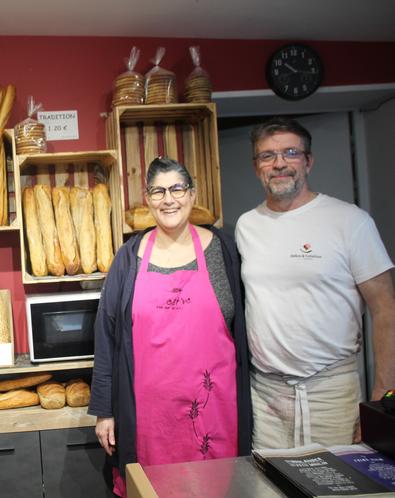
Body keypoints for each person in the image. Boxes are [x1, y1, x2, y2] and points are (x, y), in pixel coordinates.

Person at [89, 157, 252, 497]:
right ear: (147, 199)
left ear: (192, 195)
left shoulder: (224, 250)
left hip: (215, 410)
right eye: (158, 191)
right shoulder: (129, 258)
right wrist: (105, 411)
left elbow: (246, 325)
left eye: (177, 188)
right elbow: (106, 336)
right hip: (149, 418)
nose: (169, 199)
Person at [235, 116, 395, 449]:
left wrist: (382, 399)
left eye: (290, 153)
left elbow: (386, 308)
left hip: (331, 393)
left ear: (308, 161)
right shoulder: (246, 226)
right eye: (267, 156)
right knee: (269, 488)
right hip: (266, 397)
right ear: (256, 167)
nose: (279, 164)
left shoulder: (350, 221)